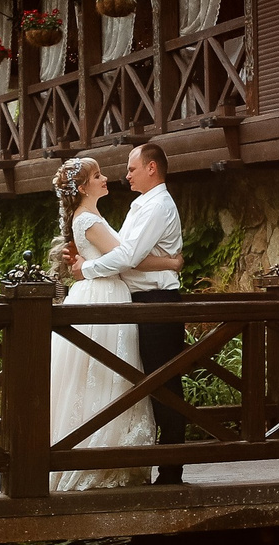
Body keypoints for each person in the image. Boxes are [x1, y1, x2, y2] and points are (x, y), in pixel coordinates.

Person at [48, 157, 180, 491]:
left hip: (104, 293)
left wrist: (85, 264)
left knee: (103, 375)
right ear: (82, 187)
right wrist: (171, 261)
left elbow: (121, 256)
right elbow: (126, 260)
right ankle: (99, 456)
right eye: (97, 175)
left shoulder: (94, 216)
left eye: (129, 169)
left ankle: (94, 453)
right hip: (105, 296)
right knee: (106, 375)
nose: (109, 177)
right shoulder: (90, 218)